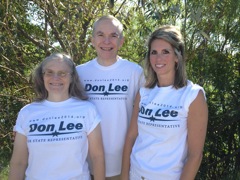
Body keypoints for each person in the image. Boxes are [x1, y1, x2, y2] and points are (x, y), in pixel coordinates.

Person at [121, 25, 208, 180]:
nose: (158, 59)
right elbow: (131, 137)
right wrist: (124, 176)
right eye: (154, 52)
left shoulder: (193, 95)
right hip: (136, 174)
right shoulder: (144, 92)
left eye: (165, 52)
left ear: (177, 56)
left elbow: (195, 155)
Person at [9, 53, 105, 180]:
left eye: (62, 73)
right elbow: (18, 162)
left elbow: (97, 157)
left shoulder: (87, 110)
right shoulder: (27, 113)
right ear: (42, 76)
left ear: (72, 77)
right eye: (49, 72)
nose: (55, 78)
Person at [76, 15, 144, 179]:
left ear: (121, 41)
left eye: (113, 35)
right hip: (84, 163)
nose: (107, 41)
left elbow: (147, 116)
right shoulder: (79, 73)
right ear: (92, 40)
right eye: (100, 35)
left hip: (123, 164)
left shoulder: (134, 72)